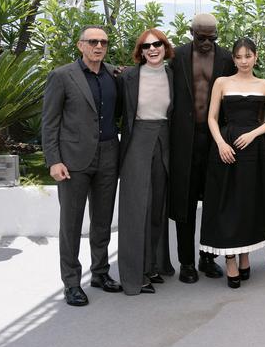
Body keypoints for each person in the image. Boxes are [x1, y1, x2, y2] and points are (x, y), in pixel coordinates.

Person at [41, 25, 123, 306]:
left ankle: (100, 272)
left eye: (103, 42)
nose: (98, 46)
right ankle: (72, 283)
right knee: (71, 224)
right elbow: (49, 123)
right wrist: (54, 161)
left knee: (102, 221)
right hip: (73, 161)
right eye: (92, 42)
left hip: (109, 156)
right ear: (80, 45)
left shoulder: (114, 74)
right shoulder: (62, 76)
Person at [200, 38, 265, 288]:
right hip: (226, 147)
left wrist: (254, 133)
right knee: (227, 202)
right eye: (239, 57)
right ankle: (230, 260)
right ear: (233, 59)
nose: (243, 61)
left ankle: (245, 254)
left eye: (248, 56)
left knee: (248, 201)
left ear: (256, 57)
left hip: (255, 148)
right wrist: (221, 144)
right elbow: (211, 118)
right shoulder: (222, 83)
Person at [168, 14, 236, 283]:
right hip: (184, 138)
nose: (207, 42)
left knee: (214, 201)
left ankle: (207, 257)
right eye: (201, 37)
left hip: (216, 138)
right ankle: (186, 262)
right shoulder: (177, 56)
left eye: (212, 37)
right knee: (184, 203)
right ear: (191, 33)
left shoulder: (227, 58)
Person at [116, 28, 175, 296]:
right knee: (137, 209)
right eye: (146, 46)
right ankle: (133, 275)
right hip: (137, 141)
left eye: (158, 44)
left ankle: (152, 265)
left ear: (165, 47)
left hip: (164, 142)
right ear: (140, 51)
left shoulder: (172, 74)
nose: (152, 49)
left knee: (158, 207)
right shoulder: (129, 76)